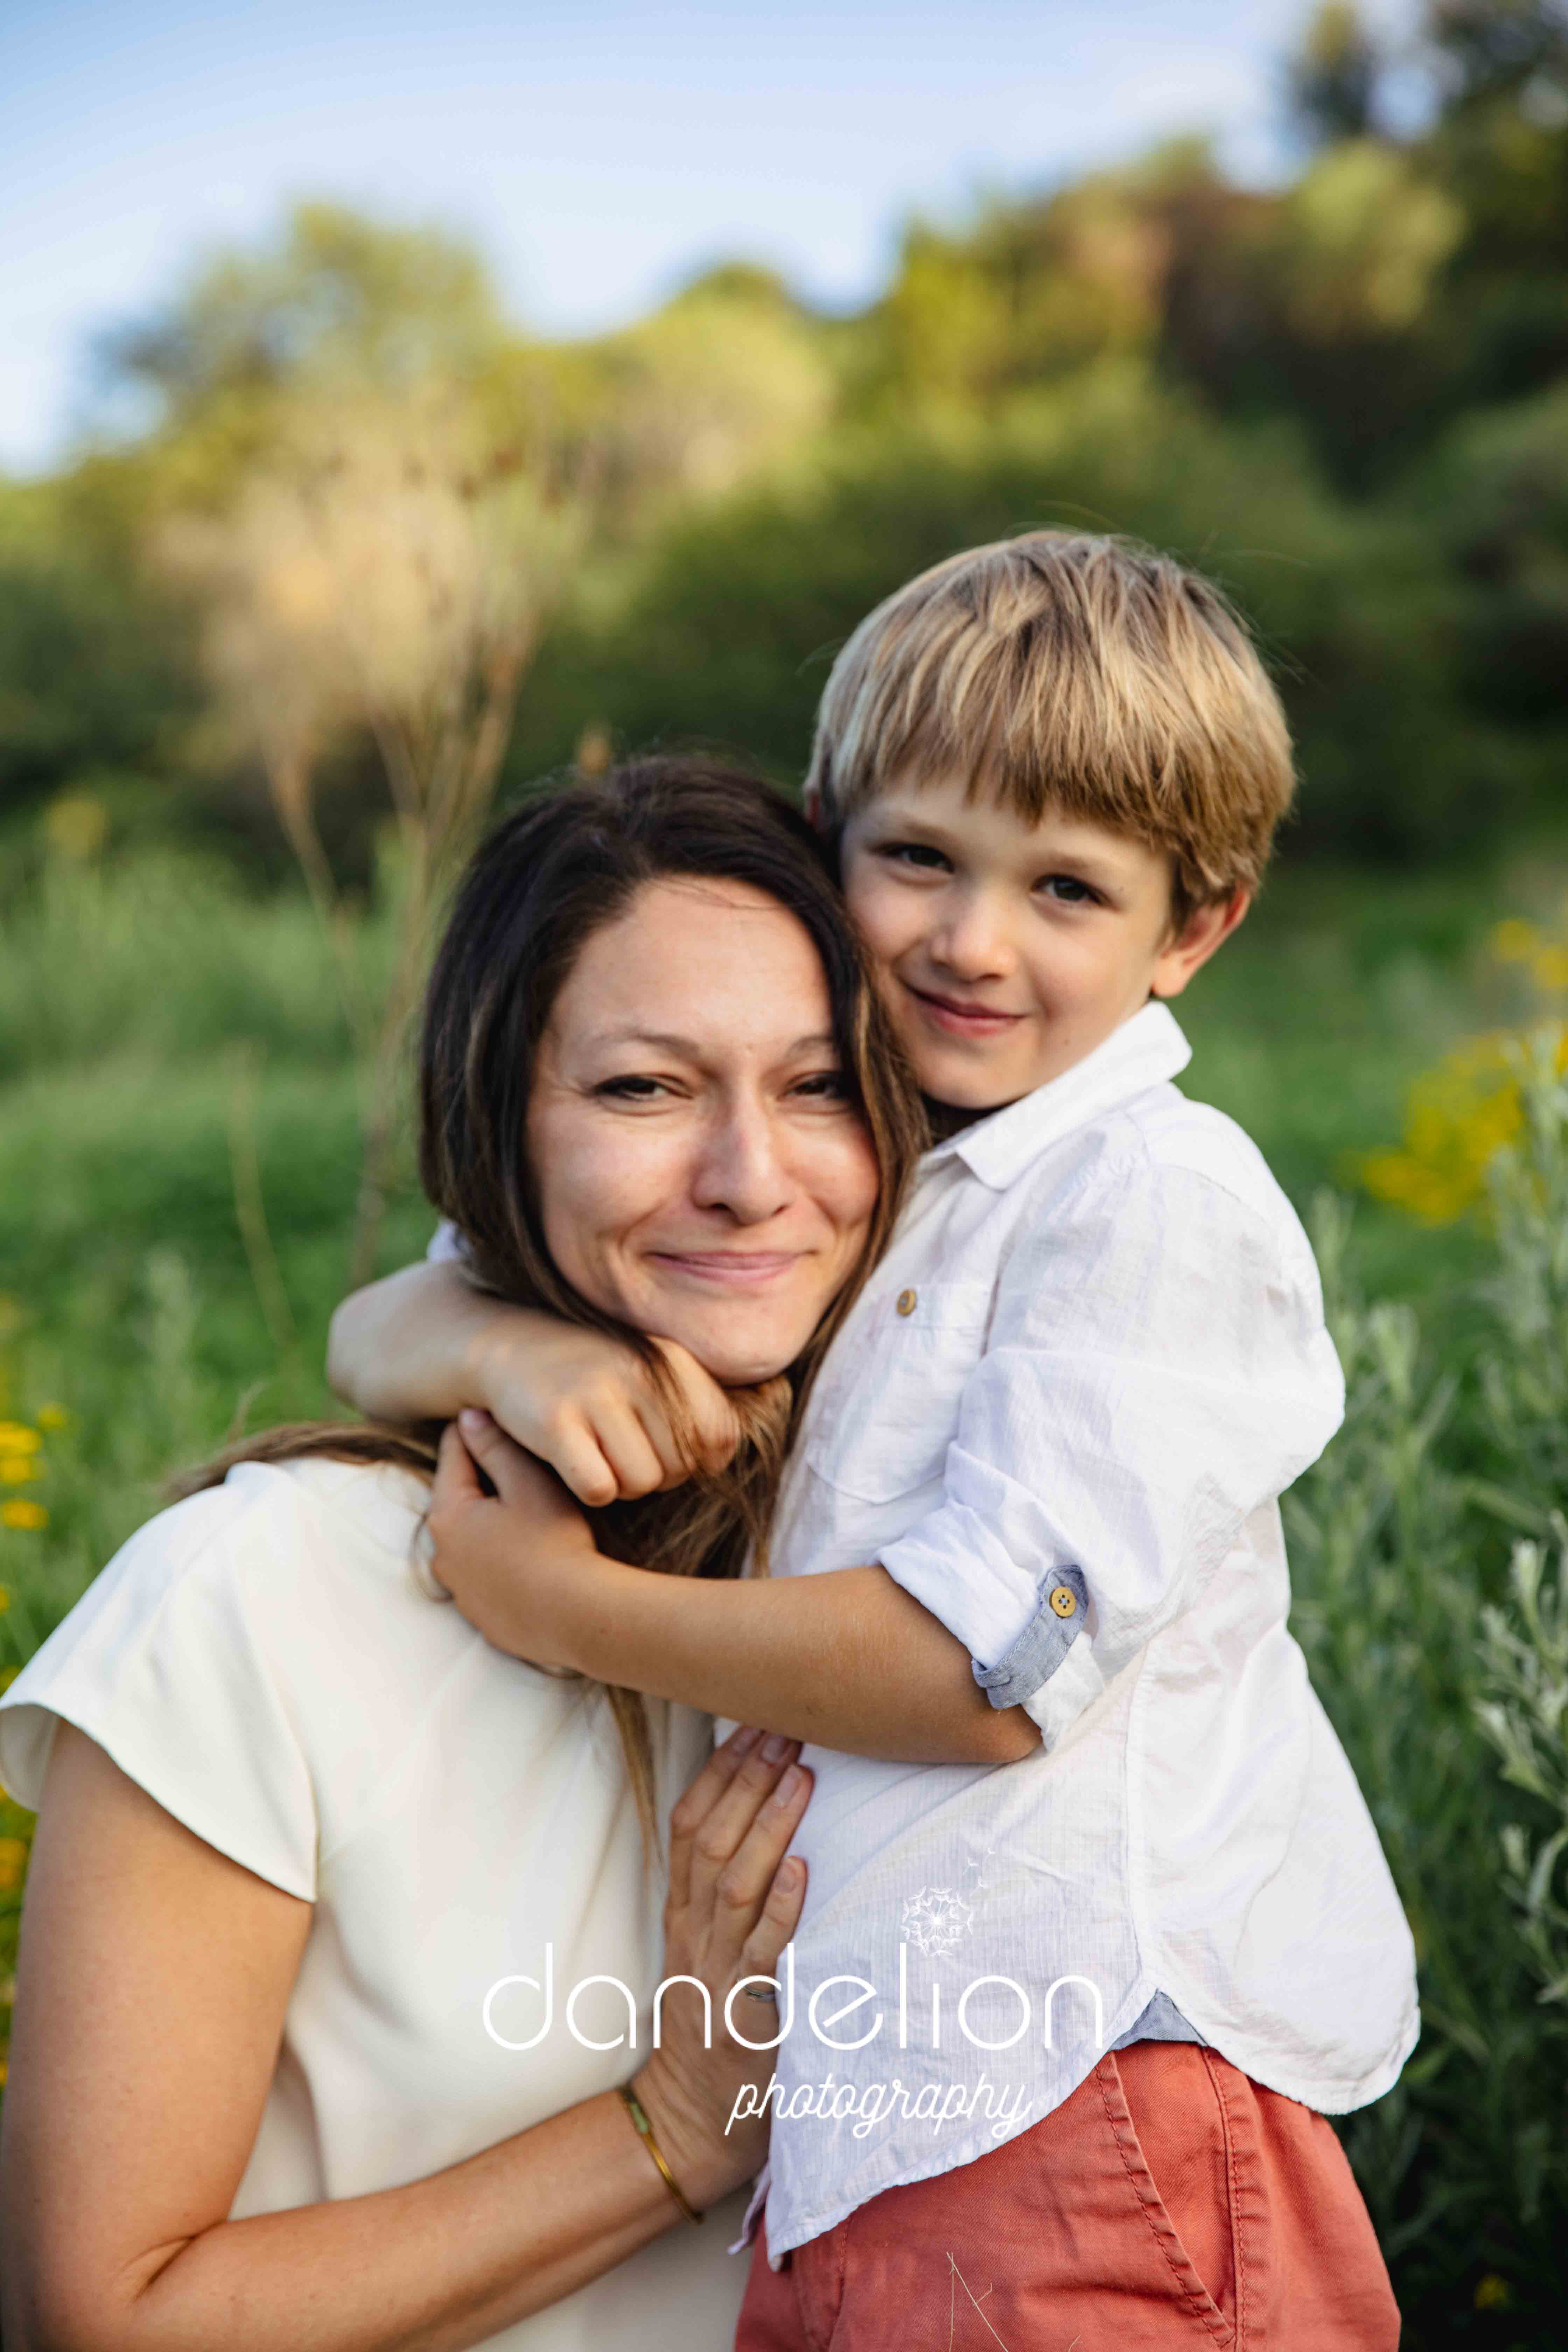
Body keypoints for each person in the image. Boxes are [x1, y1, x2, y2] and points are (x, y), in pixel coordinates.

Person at [329, 533, 1417, 2347]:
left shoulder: (1146, 1202)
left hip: (1085, 2110)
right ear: (829, 835)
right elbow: (383, 1320)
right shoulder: (848, 1153)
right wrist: (504, 1343)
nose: (971, 942)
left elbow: (987, 1671)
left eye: (1065, 889)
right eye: (920, 857)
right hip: (866, 2126)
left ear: (1193, 931)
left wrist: (564, 1605)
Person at [0, 756, 992, 2352]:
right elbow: (105, 2317)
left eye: (818, 1087)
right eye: (643, 1090)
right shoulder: (260, 1596)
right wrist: (677, 2126)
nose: (750, 1179)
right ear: (498, 1122)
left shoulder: (924, 1580)